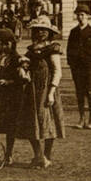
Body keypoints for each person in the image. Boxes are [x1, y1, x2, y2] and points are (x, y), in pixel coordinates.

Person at [0, 28, 35, 167]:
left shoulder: (18, 60)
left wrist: (8, 82)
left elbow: (24, 80)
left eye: (7, 44)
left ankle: (9, 154)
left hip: (12, 98)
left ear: (13, 44)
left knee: (10, 126)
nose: (3, 47)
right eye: (0, 44)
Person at [24, 16, 65, 168]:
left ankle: (46, 155)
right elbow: (26, 66)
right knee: (30, 121)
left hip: (46, 90)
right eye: (38, 30)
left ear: (49, 32)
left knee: (48, 122)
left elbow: (57, 71)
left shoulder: (52, 49)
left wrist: (51, 91)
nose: (41, 33)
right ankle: (38, 155)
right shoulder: (31, 50)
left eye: (44, 30)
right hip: (32, 91)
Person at [66, 5, 91, 129]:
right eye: (78, 15)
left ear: (87, 17)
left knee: (90, 92)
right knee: (79, 93)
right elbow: (69, 49)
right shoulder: (73, 32)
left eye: (83, 15)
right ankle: (81, 118)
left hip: (89, 66)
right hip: (77, 67)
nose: (80, 17)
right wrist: (71, 63)